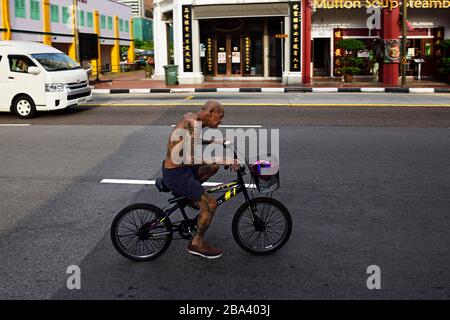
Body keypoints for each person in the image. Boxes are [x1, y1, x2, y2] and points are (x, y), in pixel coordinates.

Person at [162, 100, 239, 259]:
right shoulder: (194, 124)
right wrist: (222, 159)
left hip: (181, 169)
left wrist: (214, 141)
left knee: (213, 167)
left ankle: (191, 197)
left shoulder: (193, 119)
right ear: (210, 112)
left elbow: (191, 141)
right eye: (220, 116)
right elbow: (191, 158)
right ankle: (197, 243)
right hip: (178, 174)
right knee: (210, 204)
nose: (221, 120)